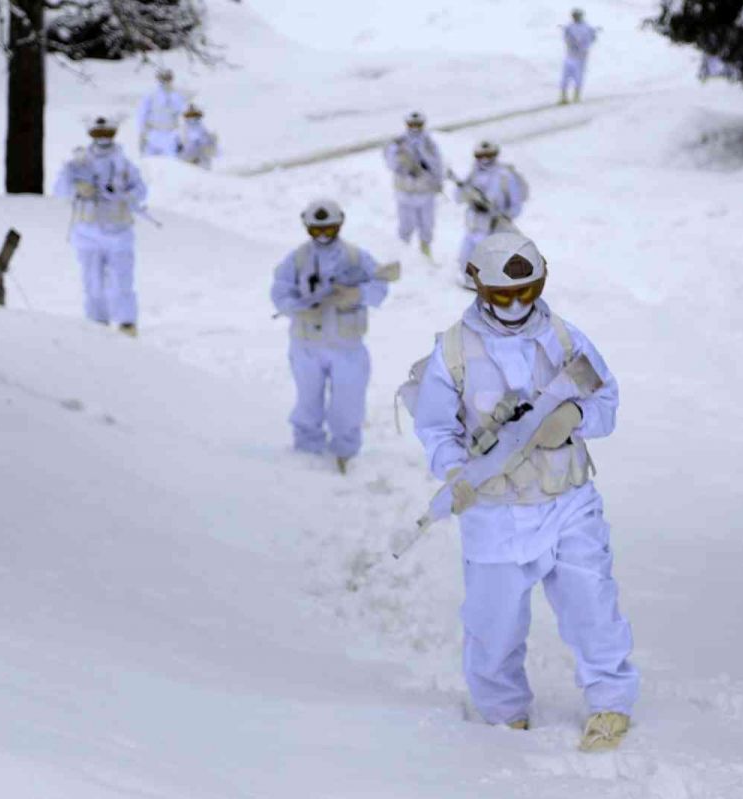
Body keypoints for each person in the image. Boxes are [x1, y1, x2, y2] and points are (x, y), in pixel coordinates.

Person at [412, 231, 638, 752]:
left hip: (568, 500)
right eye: (502, 295)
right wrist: (454, 473)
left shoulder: (563, 338)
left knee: (592, 605)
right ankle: (502, 713)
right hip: (494, 509)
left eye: (526, 292)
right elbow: (435, 427)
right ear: (478, 285)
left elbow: (607, 398)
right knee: (493, 620)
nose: (516, 305)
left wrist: (576, 414)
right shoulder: (453, 351)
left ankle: (609, 703)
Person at [270, 199, 390, 474]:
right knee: (307, 400)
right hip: (306, 345)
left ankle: (345, 453)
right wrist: (299, 309)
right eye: (316, 231)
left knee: (348, 402)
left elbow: (381, 283)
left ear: (340, 225)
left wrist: (357, 295)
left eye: (329, 229)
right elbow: (279, 291)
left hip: (347, 346)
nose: (323, 236)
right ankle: (306, 451)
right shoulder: (297, 259)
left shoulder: (356, 257)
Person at [53, 116, 148, 336]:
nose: (103, 139)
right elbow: (60, 190)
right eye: (98, 134)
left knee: (121, 280)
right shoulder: (78, 162)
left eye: (107, 134)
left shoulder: (124, 163)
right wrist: (77, 188)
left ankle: (127, 323)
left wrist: (122, 195)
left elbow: (141, 191)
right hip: (87, 230)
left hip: (119, 230)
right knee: (92, 281)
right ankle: (96, 325)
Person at [453, 141, 526, 286]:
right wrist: (466, 193)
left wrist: (503, 215)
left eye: (488, 155)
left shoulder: (505, 176)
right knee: (464, 260)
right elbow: (458, 198)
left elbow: (516, 204)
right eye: (481, 156)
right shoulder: (472, 174)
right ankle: (472, 282)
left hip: (494, 228)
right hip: (474, 226)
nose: (485, 159)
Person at [382, 111, 445, 258]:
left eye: (418, 125)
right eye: (412, 124)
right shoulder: (398, 142)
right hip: (405, 192)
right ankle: (403, 256)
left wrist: (436, 179)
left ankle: (425, 251)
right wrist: (403, 164)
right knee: (405, 226)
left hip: (425, 191)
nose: (415, 128)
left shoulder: (429, 143)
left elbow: (437, 164)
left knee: (427, 225)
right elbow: (390, 163)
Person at [137, 68, 189, 157]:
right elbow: (142, 114)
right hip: (152, 134)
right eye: (162, 78)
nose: (164, 81)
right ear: (157, 78)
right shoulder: (151, 95)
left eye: (167, 78)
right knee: (149, 163)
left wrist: (181, 136)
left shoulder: (176, 96)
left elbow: (184, 116)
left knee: (172, 163)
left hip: (170, 135)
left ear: (171, 79)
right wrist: (142, 133)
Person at [560, 8, 598, 104]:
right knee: (565, 76)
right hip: (570, 55)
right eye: (574, 16)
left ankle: (576, 96)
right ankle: (563, 97)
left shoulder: (587, 27)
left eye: (577, 15)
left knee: (578, 76)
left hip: (581, 57)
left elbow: (592, 38)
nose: (575, 17)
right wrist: (570, 42)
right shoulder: (569, 26)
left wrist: (584, 46)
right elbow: (566, 38)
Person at [179, 104, 218, 169]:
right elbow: (182, 143)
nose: (192, 118)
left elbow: (208, 143)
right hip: (187, 159)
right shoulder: (183, 129)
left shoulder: (202, 128)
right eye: (190, 116)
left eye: (194, 115)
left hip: (201, 159)